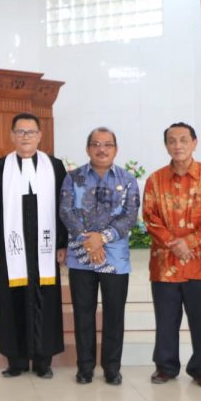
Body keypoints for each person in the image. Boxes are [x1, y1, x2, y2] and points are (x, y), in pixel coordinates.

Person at [0, 113, 68, 379]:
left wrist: (62, 242)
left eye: (30, 132)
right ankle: (15, 360)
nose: (25, 137)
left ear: (40, 136)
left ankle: (43, 360)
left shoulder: (55, 167)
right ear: (12, 136)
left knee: (47, 298)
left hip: (45, 248)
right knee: (12, 300)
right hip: (12, 249)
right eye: (20, 132)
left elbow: (64, 208)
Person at [143, 122, 201, 389]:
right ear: (166, 145)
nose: (177, 145)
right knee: (165, 319)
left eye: (183, 140)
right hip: (165, 262)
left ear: (194, 143)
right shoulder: (155, 180)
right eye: (171, 140)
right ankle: (165, 367)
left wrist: (188, 241)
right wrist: (172, 242)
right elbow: (150, 217)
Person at [59, 127, 140, 385]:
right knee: (83, 313)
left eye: (107, 144)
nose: (101, 149)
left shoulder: (127, 180)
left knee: (114, 314)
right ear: (87, 148)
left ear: (115, 149)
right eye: (96, 144)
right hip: (81, 257)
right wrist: (90, 241)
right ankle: (84, 368)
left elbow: (129, 217)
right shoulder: (73, 178)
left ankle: (112, 368)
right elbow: (65, 212)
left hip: (115, 260)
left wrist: (101, 239)